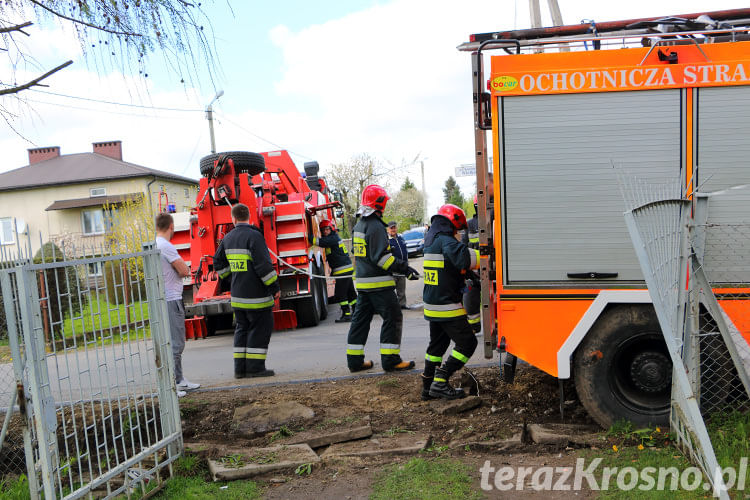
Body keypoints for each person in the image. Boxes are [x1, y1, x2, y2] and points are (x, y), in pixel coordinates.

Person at [346, 184, 419, 373]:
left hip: (363, 284)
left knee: (359, 322)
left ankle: (354, 361)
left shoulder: (359, 225)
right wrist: (406, 269)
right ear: (379, 203)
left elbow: (359, 253)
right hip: (379, 285)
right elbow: (382, 258)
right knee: (393, 317)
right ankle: (391, 360)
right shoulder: (376, 226)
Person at [214, 203, 280, 378]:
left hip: (238, 297)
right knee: (260, 329)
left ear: (233, 219)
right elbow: (264, 266)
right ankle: (255, 368)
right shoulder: (255, 237)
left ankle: (240, 369)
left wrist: (231, 278)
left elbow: (218, 264)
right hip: (257, 297)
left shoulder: (227, 239)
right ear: (249, 217)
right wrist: (274, 288)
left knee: (242, 330)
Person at [421, 204, 480, 400]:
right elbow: (463, 259)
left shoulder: (431, 240)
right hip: (447, 306)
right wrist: (486, 255)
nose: (456, 233)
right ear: (451, 223)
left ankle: (428, 387)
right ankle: (441, 380)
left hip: (433, 305)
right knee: (468, 343)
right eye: (456, 228)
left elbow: (450, 266)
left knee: (436, 347)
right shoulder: (446, 241)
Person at [155, 213, 201, 398]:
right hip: (172, 299)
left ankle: (180, 380)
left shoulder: (155, 244)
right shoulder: (166, 246)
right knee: (176, 343)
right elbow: (183, 270)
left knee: (172, 342)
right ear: (171, 227)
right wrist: (187, 270)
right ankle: (173, 385)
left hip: (164, 298)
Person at [312, 219, 357, 322]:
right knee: (350, 292)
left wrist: (309, 238)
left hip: (342, 270)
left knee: (340, 293)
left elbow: (320, 242)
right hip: (346, 269)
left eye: (327, 229)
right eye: (323, 230)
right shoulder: (334, 238)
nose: (325, 232)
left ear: (331, 229)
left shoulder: (332, 238)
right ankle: (356, 311)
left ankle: (346, 314)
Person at [461, 195, 481, 334]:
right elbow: (462, 247)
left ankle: (498, 326)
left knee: (496, 300)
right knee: (470, 299)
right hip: (473, 270)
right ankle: (474, 326)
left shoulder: (495, 220)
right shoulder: (469, 225)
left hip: (492, 270)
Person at [387, 221, 409, 310]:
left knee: (401, 288)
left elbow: (405, 250)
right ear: (387, 229)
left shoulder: (401, 237)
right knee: (391, 289)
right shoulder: (386, 240)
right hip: (392, 268)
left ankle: (402, 304)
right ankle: (392, 306)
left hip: (402, 267)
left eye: (394, 227)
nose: (393, 229)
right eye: (391, 228)